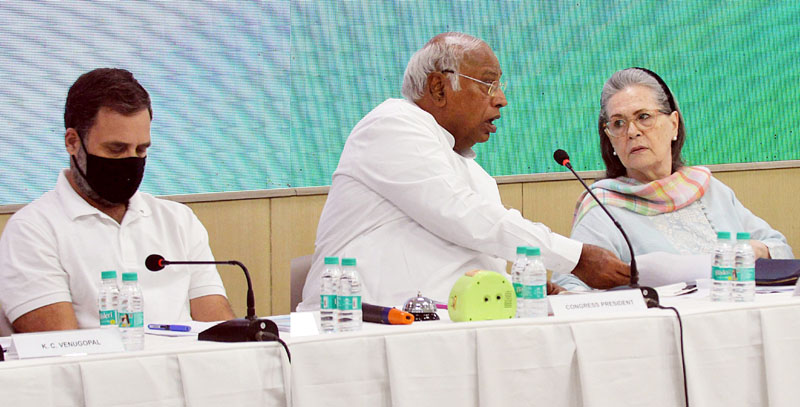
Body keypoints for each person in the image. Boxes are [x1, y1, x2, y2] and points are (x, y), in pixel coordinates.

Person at [297, 32, 630, 310]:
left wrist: (514, 288)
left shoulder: (475, 173)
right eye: (488, 84)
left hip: (443, 328)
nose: (501, 99)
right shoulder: (392, 125)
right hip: (356, 326)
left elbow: (471, 261)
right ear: (439, 87)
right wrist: (576, 258)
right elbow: (463, 216)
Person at [0, 68, 235, 333]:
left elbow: (219, 331)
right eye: (116, 149)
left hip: (186, 360)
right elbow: (61, 346)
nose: (130, 162)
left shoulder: (179, 220)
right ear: (72, 142)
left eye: (141, 149)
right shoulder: (32, 230)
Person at [570, 67, 793, 279]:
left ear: (674, 124)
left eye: (643, 117)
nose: (632, 131)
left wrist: (756, 250)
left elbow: (781, 250)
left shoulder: (708, 189)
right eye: (618, 123)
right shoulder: (601, 208)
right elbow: (573, 289)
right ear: (610, 139)